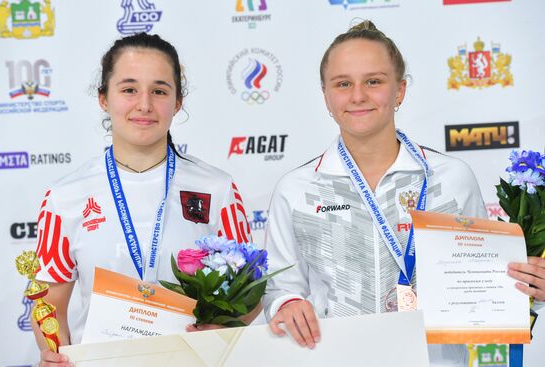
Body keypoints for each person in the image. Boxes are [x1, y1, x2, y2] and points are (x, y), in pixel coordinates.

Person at [262, 20, 545, 366]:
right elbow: (278, 287)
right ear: (326, 96)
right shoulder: (297, 189)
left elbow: (483, 286)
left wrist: (530, 288)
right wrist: (286, 304)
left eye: (374, 81)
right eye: (343, 84)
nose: (358, 96)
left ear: (399, 91)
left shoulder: (452, 178)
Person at [33, 33, 252, 366]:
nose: (145, 105)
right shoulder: (65, 197)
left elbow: (249, 292)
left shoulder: (217, 189)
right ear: (103, 98)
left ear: (177, 102)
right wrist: (53, 354)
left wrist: (220, 333)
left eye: (160, 91)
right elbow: (49, 304)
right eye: (129, 89)